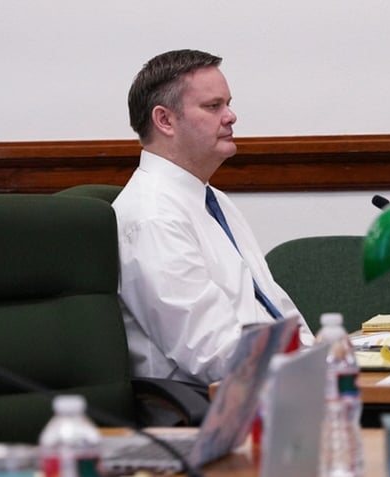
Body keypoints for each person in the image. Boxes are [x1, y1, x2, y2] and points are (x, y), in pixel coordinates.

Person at [113, 49, 313, 387]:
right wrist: (311, 372)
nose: (231, 116)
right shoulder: (152, 216)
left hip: (267, 384)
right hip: (209, 411)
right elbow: (213, 354)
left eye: (228, 104)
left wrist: (321, 356)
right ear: (165, 120)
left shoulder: (210, 198)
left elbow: (273, 307)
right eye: (213, 106)